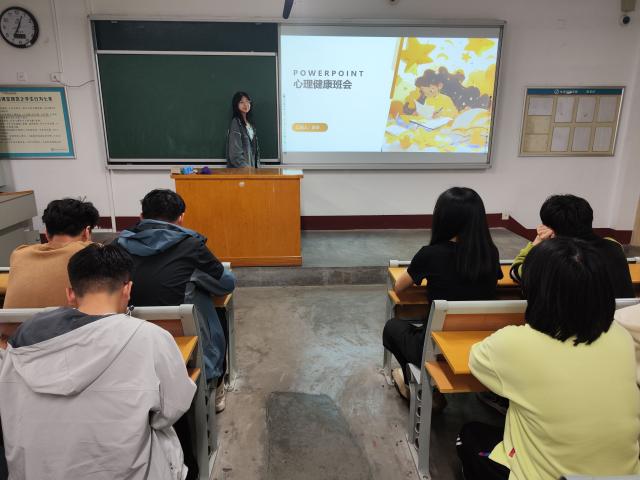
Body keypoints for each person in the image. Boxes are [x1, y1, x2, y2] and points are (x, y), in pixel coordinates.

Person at [0, 244, 196, 479]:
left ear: (70, 294)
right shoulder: (150, 337)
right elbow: (173, 408)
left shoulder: (20, 345)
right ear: (127, 290)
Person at [458, 238, 640, 480]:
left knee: (468, 435)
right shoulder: (622, 337)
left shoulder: (513, 343)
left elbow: (475, 361)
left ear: (535, 290)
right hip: (626, 476)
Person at [117, 189, 235, 412]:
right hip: (181, 340)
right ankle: (216, 387)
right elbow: (226, 284)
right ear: (181, 218)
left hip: (130, 340)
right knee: (212, 308)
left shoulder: (117, 246)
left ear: (141, 217)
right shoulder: (191, 246)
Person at [382, 187, 502, 401]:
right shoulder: (490, 253)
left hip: (436, 346)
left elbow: (399, 286)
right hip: (479, 342)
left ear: (442, 219)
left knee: (392, 327)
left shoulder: (430, 254)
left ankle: (414, 384)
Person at [510, 194, 634, 298]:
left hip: (574, 319)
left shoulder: (550, 257)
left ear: (550, 229)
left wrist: (536, 242)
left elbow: (515, 272)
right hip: (620, 316)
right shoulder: (614, 245)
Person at [4, 198, 99, 308]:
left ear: (47, 234)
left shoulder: (19, 253)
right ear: (86, 232)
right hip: (71, 320)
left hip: (13, 319)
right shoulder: (93, 253)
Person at [226, 91, 260, 168]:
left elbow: (255, 154)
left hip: (252, 171)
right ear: (236, 105)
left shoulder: (251, 125)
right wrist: (248, 170)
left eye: (247, 101)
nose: (245, 104)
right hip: (242, 172)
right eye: (241, 102)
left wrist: (256, 170)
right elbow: (235, 155)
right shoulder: (236, 123)